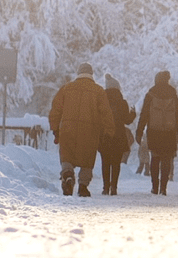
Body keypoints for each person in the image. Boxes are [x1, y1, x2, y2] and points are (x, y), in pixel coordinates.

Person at [48, 62, 116, 197]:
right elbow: (106, 113)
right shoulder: (98, 91)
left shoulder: (67, 88)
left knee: (67, 156)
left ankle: (67, 175)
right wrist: (109, 132)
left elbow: (55, 109)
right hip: (89, 132)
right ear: (91, 74)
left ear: (78, 73)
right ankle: (83, 186)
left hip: (68, 130)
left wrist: (55, 128)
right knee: (87, 160)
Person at [135, 70, 178, 195]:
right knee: (167, 159)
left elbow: (144, 114)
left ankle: (154, 186)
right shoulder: (172, 93)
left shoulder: (151, 93)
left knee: (155, 158)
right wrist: (175, 129)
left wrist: (139, 131)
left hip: (154, 131)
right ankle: (164, 187)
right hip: (169, 132)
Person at [98, 74, 136, 195]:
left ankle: (105, 187)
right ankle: (114, 187)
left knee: (105, 162)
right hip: (118, 136)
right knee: (116, 163)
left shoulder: (101, 101)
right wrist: (133, 114)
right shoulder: (122, 102)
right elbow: (127, 120)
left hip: (105, 136)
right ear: (118, 88)